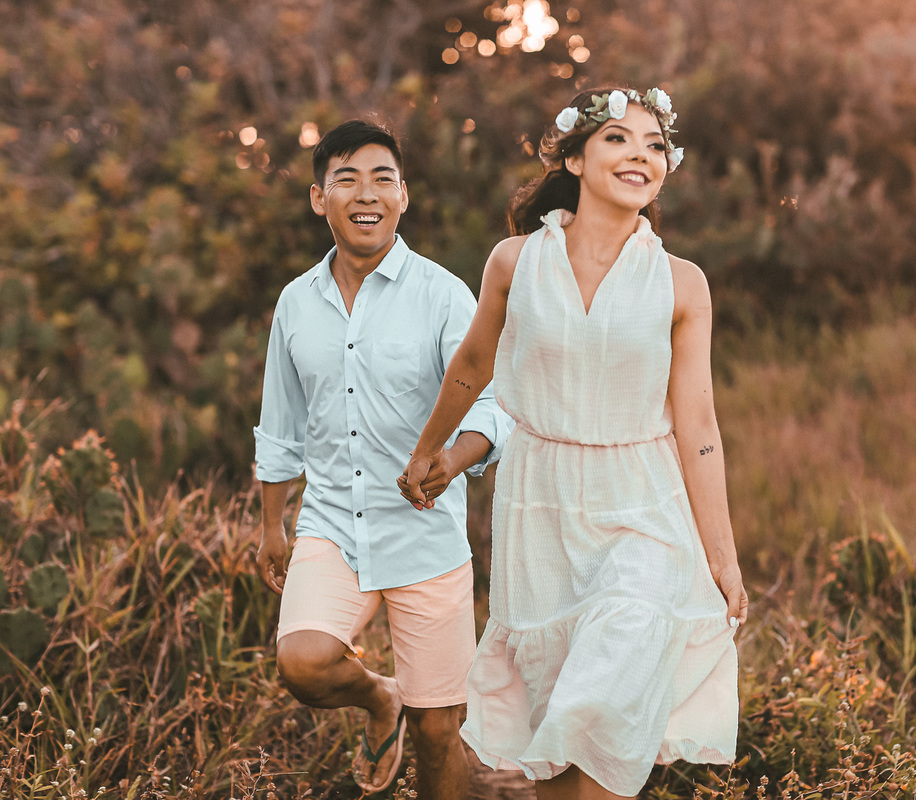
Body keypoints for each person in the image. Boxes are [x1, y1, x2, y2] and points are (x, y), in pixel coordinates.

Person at [399, 87, 749, 800]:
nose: (641, 156)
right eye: (620, 139)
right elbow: (472, 365)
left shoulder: (682, 284)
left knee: (617, 656)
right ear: (576, 158)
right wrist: (429, 449)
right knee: (559, 725)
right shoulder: (514, 261)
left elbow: (700, 426)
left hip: (645, 505)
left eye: (656, 145)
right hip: (542, 505)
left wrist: (721, 555)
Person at [253, 119, 512, 798]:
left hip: (425, 537)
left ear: (404, 196)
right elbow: (280, 424)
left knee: (437, 735)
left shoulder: (444, 294)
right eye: (347, 178)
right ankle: (378, 700)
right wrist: (271, 523)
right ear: (319, 198)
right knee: (302, 663)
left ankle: (427, 730)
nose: (366, 194)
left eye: (382, 179)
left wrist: (452, 461)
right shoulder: (295, 303)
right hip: (331, 524)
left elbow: (492, 405)